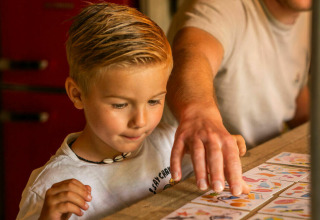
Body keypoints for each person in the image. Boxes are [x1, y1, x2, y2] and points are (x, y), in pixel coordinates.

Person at [16, 3, 194, 219]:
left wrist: (223, 150)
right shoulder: (48, 189)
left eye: (154, 101)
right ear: (77, 95)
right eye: (120, 105)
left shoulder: (171, 144)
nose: (140, 120)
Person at [164, 0, 311, 197]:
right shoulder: (219, 5)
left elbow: (293, 94)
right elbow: (191, 54)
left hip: (259, 168)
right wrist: (198, 113)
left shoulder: (306, 16)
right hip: (187, 179)